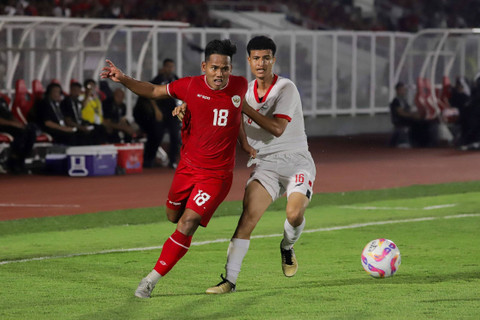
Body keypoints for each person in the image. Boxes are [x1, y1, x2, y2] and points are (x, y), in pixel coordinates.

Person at [101, 39, 253, 298]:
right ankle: (182, 222)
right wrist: (123, 78)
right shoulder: (190, 85)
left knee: (187, 222)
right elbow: (152, 91)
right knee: (172, 216)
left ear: (231, 69)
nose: (220, 74)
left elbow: (235, 114)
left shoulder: (240, 85)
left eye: (225, 69)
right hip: (187, 168)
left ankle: (150, 280)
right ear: (205, 66)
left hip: (217, 175)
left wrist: (246, 144)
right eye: (215, 68)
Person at [204, 36, 316, 294]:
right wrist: (187, 109)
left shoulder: (286, 88)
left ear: (273, 60)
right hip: (265, 165)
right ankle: (229, 281)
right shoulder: (242, 90)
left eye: (266, 57)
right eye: (256, 58)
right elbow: (221, 112)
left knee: (294, 214)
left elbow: (277, 128)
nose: (261, 62)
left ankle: (287, 247)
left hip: (297, 162)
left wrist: (243, 108)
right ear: (249, 61)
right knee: (247, 219)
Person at [150, 58, 181, 168]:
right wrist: (156, 110)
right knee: (156, 136)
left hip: (173, 113)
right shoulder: (158, 79)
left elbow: (181, 94)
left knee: (175, 136)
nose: (170, 69)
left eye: (171, 67)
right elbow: (150, 95)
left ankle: (172, 160)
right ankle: (151, 159)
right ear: (164, 67)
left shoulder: (175, 79)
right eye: (168, 66)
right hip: (161, 113)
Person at [0, 95, 36, 173]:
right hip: (2, 125)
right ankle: (13, 159)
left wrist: (18, 123)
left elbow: (9, 115)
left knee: (31, 129)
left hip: (8, 125)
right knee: (20, 132)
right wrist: (12, 124)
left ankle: (21, 159)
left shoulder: (2, 101)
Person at [389, 82, 425, 148]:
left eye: (404, 89)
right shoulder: (396, 101)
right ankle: (415, 142)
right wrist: (412, 116)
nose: (404, 91)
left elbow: (409, 109)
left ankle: (420, 142)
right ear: (398, 90)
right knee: (418, 122)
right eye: (402, 89)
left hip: (406, 118)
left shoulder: (404, 100)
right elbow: (401, 113)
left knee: (422, 121)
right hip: (400, 120)